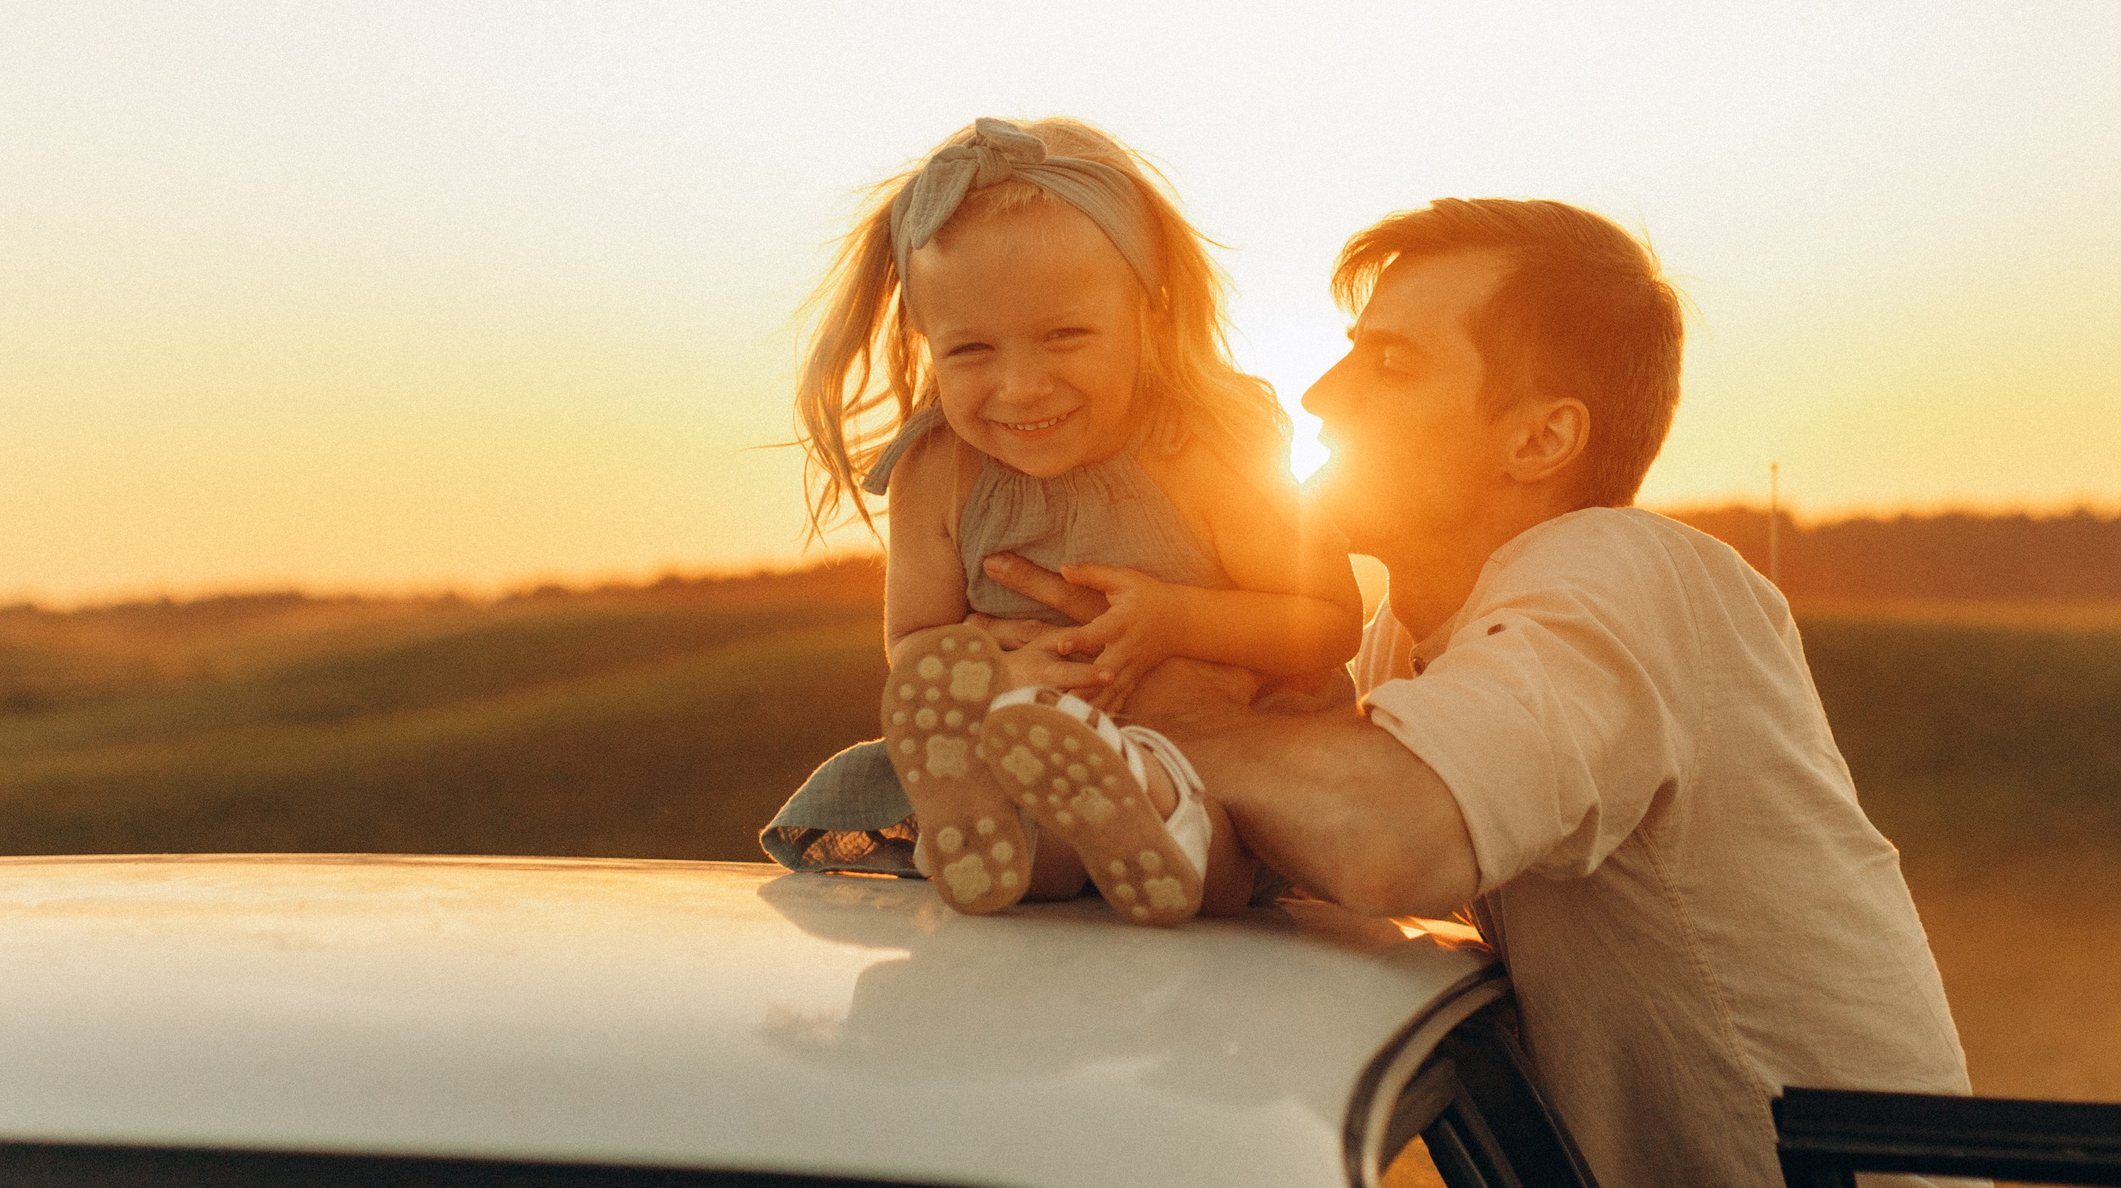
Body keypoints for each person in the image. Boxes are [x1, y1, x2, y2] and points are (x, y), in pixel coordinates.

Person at [985, 198, 1971, 1188]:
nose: (1321, 395)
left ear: (1539, 440)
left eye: (1390, 365)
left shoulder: (1620, 569)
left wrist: (1144, 717)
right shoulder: (1404, 640)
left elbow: (1385, 836)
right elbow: (1241, 841)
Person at [760, 116, 1361, 925]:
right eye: (970, 351)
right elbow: (914, 643)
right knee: (1028, 824)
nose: (1021, 386)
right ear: (924, 339)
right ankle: (997, 837)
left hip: (1219, 747)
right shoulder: (938, 471)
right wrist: (993, 681)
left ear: (1150, 312)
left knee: (1210, 828)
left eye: (1064, 336)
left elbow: (1327, 622)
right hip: (1024, 747)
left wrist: (1176, 619)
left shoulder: (1202, 450)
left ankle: (1157, 833)